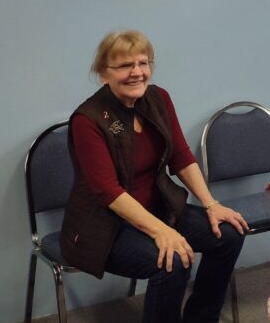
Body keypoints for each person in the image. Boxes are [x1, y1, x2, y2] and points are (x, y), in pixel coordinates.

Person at [60, 30, 248, 323]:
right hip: (105, 225)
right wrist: (162, 232)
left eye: (143, 63)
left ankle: (201, 318)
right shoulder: (88, 119)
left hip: (158, 207)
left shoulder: (158, 99)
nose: (137, 73)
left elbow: (181, 156)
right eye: (124, 66)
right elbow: (108, 191)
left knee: (228, 234)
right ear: (102, 73)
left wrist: (212, 204)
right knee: (171, 261)